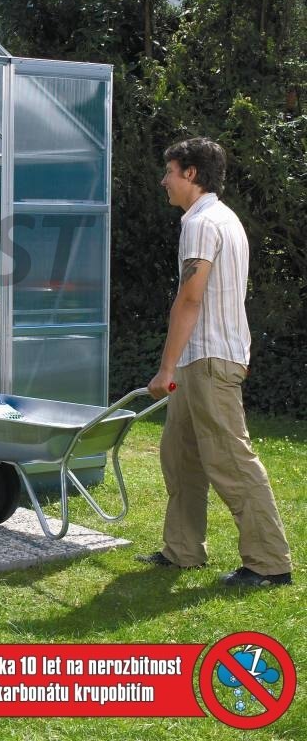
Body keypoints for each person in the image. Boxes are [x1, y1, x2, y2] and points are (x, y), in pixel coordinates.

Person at [137, 137, 292, 587]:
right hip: (200, 358)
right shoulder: (219, 218)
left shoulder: (203, 223)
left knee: (230, 461)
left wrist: (166, 369)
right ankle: (183, 549)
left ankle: (269, 564)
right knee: (180, 457)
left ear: (191, 174)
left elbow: (190, 298)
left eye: (169, 172)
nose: (164, 181)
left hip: (209, 360)